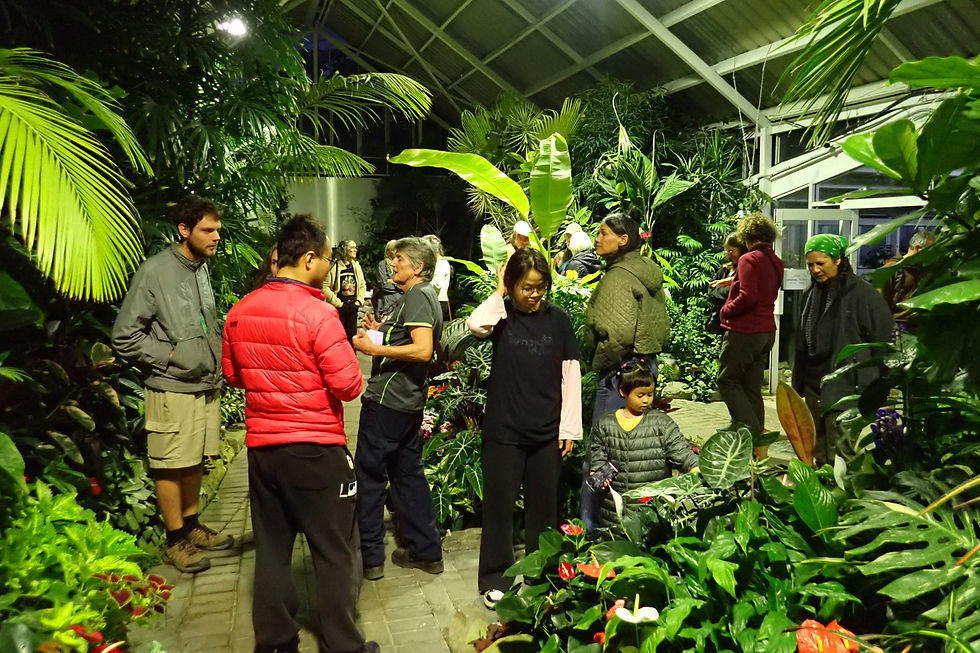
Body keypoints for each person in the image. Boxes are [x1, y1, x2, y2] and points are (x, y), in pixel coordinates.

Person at [222, 216, 375, 653]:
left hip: (263, 451)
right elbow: (349, 385)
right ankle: (343, 644)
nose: (329, 266)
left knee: (272, 549)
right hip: (316, 450)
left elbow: (233, 375)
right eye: (327, 258)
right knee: (334, 550)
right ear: (308, 259)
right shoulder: (319, 315)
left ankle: (274, 641)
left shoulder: (240, 310)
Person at [111, 194, 232, 574]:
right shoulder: (155, 271)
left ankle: (193, 527)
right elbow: (125, 336)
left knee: (193, 459)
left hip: (202, 383)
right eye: (207, 230)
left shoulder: (200, 268)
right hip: (170, 386)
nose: (216, 237)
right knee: (169, 465)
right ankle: (174, 538)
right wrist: (174, 357)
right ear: (184, 230)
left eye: (217, 230)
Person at [466, 248, 581, 609]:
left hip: (547, 431)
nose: (534, 294)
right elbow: (475, 324)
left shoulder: (558, 320)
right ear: (513, 284)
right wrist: (499, 291)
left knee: (543, 511)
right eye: (526, 287)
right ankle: (495, 579)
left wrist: (570, 429)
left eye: (540, 287)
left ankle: (541, 575)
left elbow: (571, 375)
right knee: (499, 510)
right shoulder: (502, 317)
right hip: (504, 430)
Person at [351, 237, 443, 581]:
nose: (393, 263)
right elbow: (408, 341)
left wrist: (374, 351)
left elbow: (422, 350)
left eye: (399, 259)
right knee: (408, 478)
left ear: (417, 267)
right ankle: (427, 551)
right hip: (407, 404)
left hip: (388, 402)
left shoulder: (418, 295)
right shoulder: (422, 296)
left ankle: (371, 558)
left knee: (371, 478)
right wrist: (382, 333)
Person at [581, 212, 668, 531]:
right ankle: (631, 527)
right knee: (636, 453)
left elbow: (613, 334)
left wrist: (597, 360)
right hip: (646, 367)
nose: (597, 239)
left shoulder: (618, 277)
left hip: (621, 372)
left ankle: (590, 532)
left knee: (602, 455)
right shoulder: (646, 273)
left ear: (623, 240)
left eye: (603, 233)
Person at [793, 234, 894, 465]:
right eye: (810, 264)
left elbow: (884, 338)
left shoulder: (862, 294)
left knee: (843, 451)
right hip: (814, 384)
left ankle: (846, 495)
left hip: (846, 385)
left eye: (821, 263)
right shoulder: (810, 293)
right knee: (817, 448)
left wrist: (880, 384)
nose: (815, 270)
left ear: (838, 260)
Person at [588, 361, 698, 529]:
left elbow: (683, 454)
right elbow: (599, 456)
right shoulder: (605, 424)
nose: (646, 400)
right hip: (614, 516)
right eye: (640, 395)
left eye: (650, 394)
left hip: (653, 514)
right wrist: (597, 472)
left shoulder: (662, 424)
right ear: (623, 391)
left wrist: (696, 469)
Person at [717, 214, 783, 447]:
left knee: (726, 381)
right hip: (767, 331)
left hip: (746, 330)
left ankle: (750, 430)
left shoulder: (749, 259)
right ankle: (757, 439)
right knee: (751, 387)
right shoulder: (775, 260)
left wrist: (725, 311)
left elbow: (748, 296)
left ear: (747, 235)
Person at [881, 230, 936, 326]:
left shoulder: (926, 270)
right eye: (931, 251)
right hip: (898, 327)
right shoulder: (891, 269)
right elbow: (878, 303)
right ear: (918, 248)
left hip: (923, 326)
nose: (933, 256)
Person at [705, 233, 747, 334]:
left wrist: (724, 291)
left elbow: (737, 293)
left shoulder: (746, 271)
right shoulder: (725, 270)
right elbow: (711, 291)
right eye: (727, 251)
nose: (729, 255)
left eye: (731, 251)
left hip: (738, 326)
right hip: (722, 324)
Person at [325, 239, 366, 340]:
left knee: (352, 338)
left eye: (356, 248)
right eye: (352, 248)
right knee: (338, 337)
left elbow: (362, 285)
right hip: (339, 307)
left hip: (353, 306)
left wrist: (359, 301)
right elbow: (325, 287)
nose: (355, 250)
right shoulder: (334, 267)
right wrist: (338, 303)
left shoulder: (356, 266)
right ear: (344, 250)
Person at [423, 234, 453, 321]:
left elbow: (437, 285)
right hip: (431, 301)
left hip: (438, 302)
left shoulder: (441, 263)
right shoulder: (434, 263)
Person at [372, 239, 403, 321]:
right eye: (396, 251)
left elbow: (405, 283)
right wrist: (399, 285)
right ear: (390, 252)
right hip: (386, 305)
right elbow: (384, 285)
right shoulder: (382, 265)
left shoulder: (401, 264)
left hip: (399, 303)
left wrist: (394, 282)